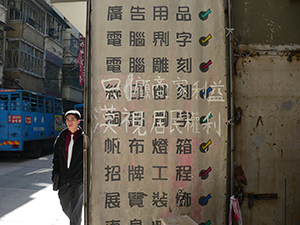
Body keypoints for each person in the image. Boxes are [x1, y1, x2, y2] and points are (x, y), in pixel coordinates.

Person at [52, 110, 84, 225]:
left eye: (72, 120)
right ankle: (75, 221)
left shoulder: (83, 139)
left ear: (78, 121)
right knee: (65, 205)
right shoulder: (61, 138)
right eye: (67, 120)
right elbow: (55, 160)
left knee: (76, 209)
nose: (70, 122)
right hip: (63, 179)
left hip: (78, 180)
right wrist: (54, 177)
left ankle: (75, 223)